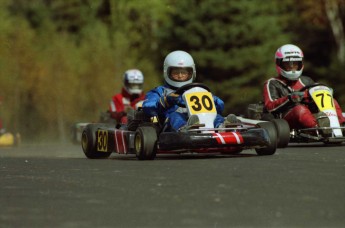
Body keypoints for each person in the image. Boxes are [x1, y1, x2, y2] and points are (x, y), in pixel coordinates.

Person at [142, 50, 235, 132]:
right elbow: (147, 106)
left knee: (216, 117)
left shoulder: (196, 90)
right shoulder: (160, 91)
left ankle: (222, 128)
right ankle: (185, 129)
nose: (180, 75)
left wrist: (213, 100)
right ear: (167, 72)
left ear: (191, 73)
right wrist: (166, 101)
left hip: (198, 120)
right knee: (175, 115)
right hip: (169, 125)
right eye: (176, 72)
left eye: (184, 72)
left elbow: (220, 107)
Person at [263, 44, 345, 130]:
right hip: (285, 120)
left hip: (310, 114)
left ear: (300, 64)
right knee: (300, 109)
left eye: (295, 64)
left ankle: (340, 126)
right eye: (288, 64)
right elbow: (270, 107)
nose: (292, 68)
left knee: (332, 101)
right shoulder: (272, 83)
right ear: (279, 64)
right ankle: (320, 129)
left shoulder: (306, 81)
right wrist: (290, 98)